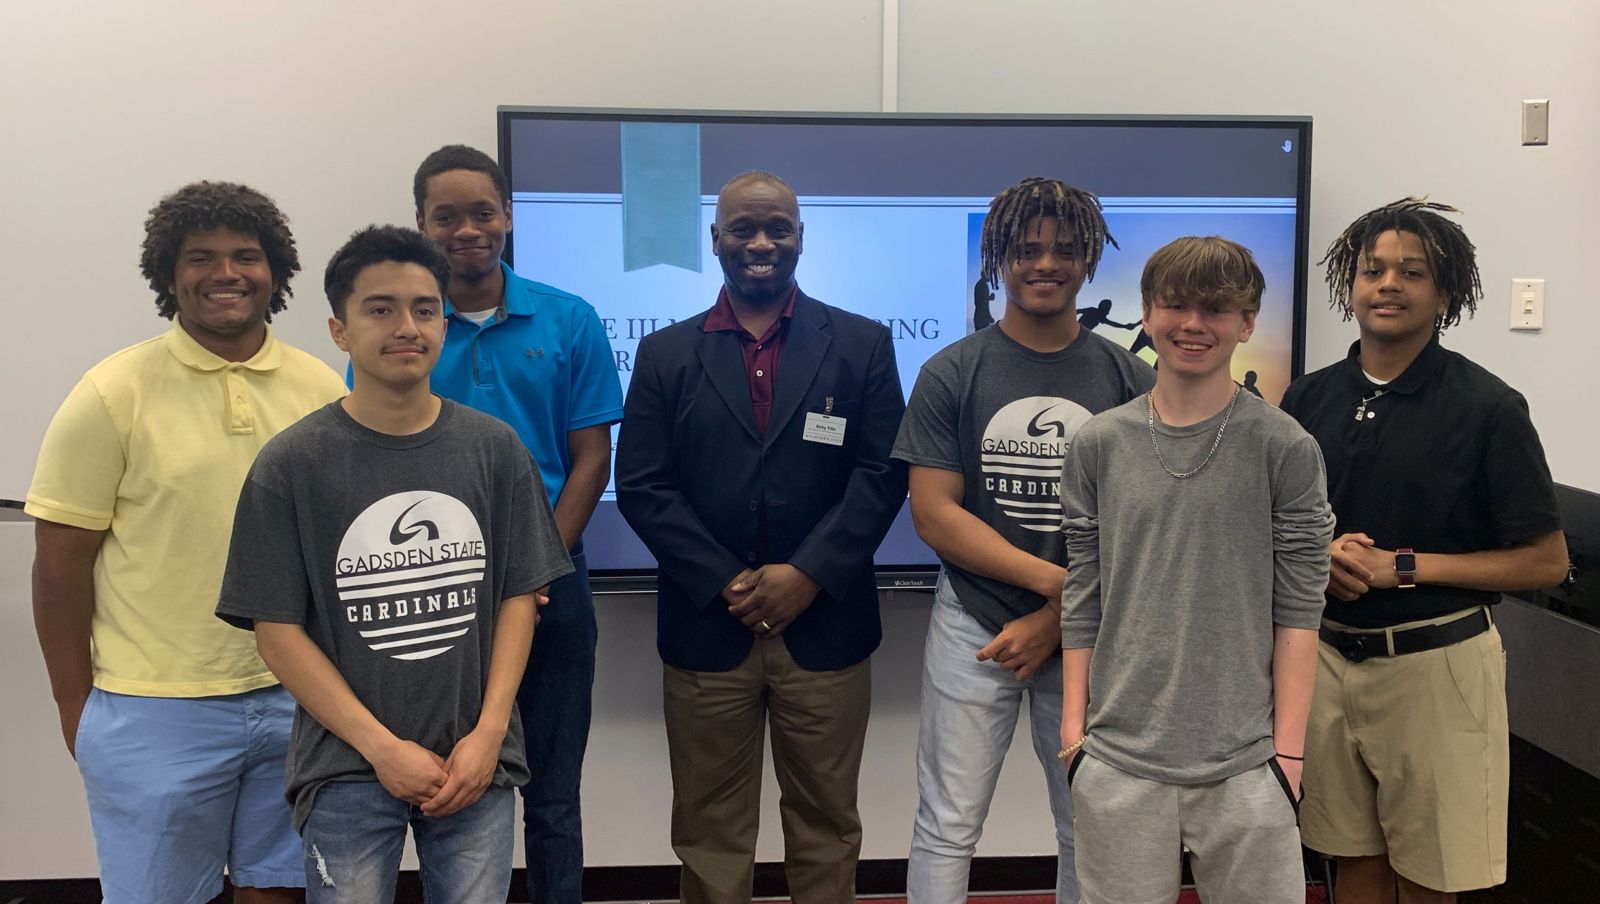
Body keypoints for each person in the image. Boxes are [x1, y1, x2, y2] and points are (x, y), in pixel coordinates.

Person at [215, 225, 572, 903]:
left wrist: (489, 735)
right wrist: (381, 748)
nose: (406, 327)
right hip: (347, 767)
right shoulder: (292, 465)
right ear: (339, 330)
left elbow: (518, 600)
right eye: (380, 309)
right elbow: (277, 633)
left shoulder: (494, 451)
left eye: (425, 309)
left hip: (477, 764)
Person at [26, 181, 346, 904]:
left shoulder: (322, 387)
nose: (226, 273)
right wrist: (76, 710)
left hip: (298, 697)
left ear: (277, 272)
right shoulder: (112, 393)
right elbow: (59, 568)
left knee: (281, 892)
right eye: (201, 257)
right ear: (168, 275)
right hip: (153, 707)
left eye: (246, 256)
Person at [615, 171, 907, 904]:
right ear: (715, 240)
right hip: (709, 626)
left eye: (777, 227)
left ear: (801, 237)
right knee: (710, 830)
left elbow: (882, 474)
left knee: (828, 822)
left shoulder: (863, 344)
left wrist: (807, 573)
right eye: (743, 228)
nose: (761, 243)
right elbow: (644, 486)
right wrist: (725, 578)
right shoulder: (665, 356)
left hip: (827, 628)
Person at [1281, 199, 1568, 904]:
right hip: (1326, 660)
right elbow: (1276, 525)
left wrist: (1400, 566)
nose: (1388, 284)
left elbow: (1545, 560)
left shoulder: (1489, 407)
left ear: (1445, 293)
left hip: (1436, 665)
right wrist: (1322, 552)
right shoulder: (1307, 400)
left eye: (1412, 272)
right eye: (1372, 269)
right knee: (1351, 857)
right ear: (1349, 284)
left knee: (1433, 875)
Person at [892, 176, 1152, 904]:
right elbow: (935, 514)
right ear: (999, 258)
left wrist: (1059, 617)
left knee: (1086, 823)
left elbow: (1140, 523)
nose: (1046, 264)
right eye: (1028, 250)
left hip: (1089, 636)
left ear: (1090, 259)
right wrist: (1055, 591)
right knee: (947, 824)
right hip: (972, 622)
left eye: (1065, 251)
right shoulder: (952, 370)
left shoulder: (1128, 377)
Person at [1059, 235, 1334, 904]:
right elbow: (1084, 590)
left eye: (1215, 309)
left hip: (1247, 762)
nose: (1192, 325)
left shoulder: (1285, 447)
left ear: (1245, 323)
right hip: (1118, 758)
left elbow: (1300, 608)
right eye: (1175, 305)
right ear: (1147, 315)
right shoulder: (1098, 443)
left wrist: (1287, 758)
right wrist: (1075, 732)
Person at [411, 144, 624, 904]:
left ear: (508, 215)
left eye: (482, 212)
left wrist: (536, 569)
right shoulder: (407, 327)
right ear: (421, 225)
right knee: (452, 780)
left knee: (555, 793)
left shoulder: (568, 319)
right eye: (447, 216)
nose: (467, 229)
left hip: (553, 588)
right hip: (438, 587)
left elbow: (592, 457)